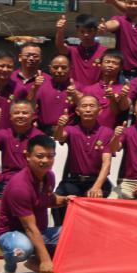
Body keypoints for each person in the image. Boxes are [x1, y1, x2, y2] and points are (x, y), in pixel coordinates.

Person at [0, 135, 71, 273]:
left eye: (50, 156)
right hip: (13, 234)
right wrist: (45, 260)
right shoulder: (19, 187)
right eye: (40, 156)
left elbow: (48, 200)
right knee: (21, 249)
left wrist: (67, 200)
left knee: (74, 232)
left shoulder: (49, 176)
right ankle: (9, 269)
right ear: (28, 156)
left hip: (39, 231)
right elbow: (29, 228)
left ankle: (34, 261)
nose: (45, 160)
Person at [50, 95, 113, 224]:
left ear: (99, 110)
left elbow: (107, 163)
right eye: (84, 106)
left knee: (98, 203)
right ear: (78, 111)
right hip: (73, 181)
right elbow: (59, 137)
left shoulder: (107, 132)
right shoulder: (71, 130)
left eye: (92, 106)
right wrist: (60, 126)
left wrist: (96, 187)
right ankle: (60, 233)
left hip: (97, 181)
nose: (88, 109)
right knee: (58, 198)